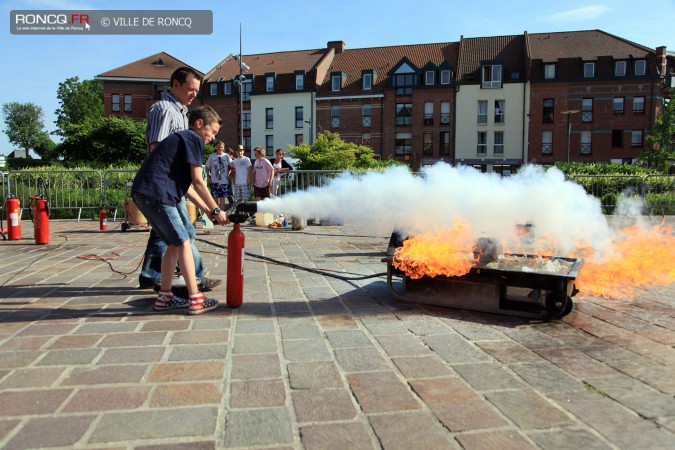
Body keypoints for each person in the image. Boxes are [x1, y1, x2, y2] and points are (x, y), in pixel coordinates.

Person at [131, 106, 228, 314]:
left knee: (173, 244)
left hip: (144, 192)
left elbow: (188, 188)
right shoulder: (194, 139)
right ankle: (195, 298)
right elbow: (199, 181)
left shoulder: (182, 139)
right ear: (200, 124)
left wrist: (207, 210)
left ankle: (164, 297)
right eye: (212, 132)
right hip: (158, 194)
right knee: (183, 242)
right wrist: (217, 210)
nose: (212, 138)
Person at [139, 66, 221, 293]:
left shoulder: (181, 113)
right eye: (190, 89)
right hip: (164, 185)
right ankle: (195, 281)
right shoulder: (164, 109)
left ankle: (152, 276)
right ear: (175, 84)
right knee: (184, 234)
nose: (194, 94)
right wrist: (212, 209)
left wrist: (207, 208)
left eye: (197, 90)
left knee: (166, 233)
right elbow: (157, 150)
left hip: (168, 184)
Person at [205, 141, 232, 211]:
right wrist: (208, 176)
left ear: (224, 148)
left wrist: (230, 174)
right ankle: (216, 213)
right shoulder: (212, 156)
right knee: (215, 197)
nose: (220, 148)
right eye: (219, 147)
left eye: (222, 147)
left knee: (222, 198)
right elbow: (207, 167)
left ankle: (222, 212)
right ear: (216, 147)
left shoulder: (226, 156)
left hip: (224, 181)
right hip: (214, 180)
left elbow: (232, 165)